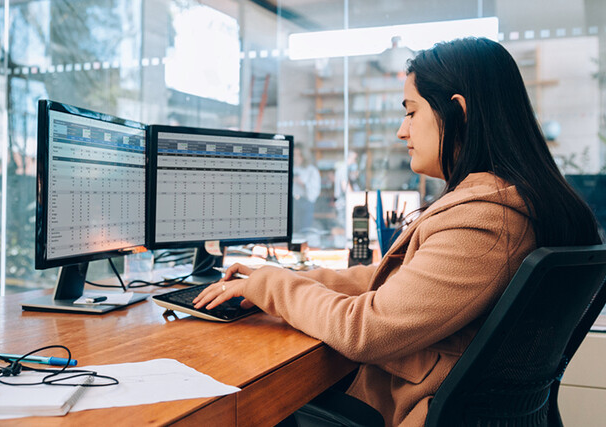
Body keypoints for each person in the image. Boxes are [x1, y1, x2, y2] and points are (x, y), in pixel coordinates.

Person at [194, 37, 601, 426]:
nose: (401, 131)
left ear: (458, 112)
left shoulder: (488, 223)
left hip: (401, 412)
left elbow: (364, 331)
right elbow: (394, 282)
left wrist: (274, 287)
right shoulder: (507, 205)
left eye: (411, 111)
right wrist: (285, 280)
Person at [292, 144, 321, 232]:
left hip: (305, 203)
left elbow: (314, 191)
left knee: (304, 230)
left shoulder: (311, 170)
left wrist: (302, 183)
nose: (296, 158)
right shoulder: (290, 169)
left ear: (304, 156)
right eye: (294, 155)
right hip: (292, 203)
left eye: (299, 155)